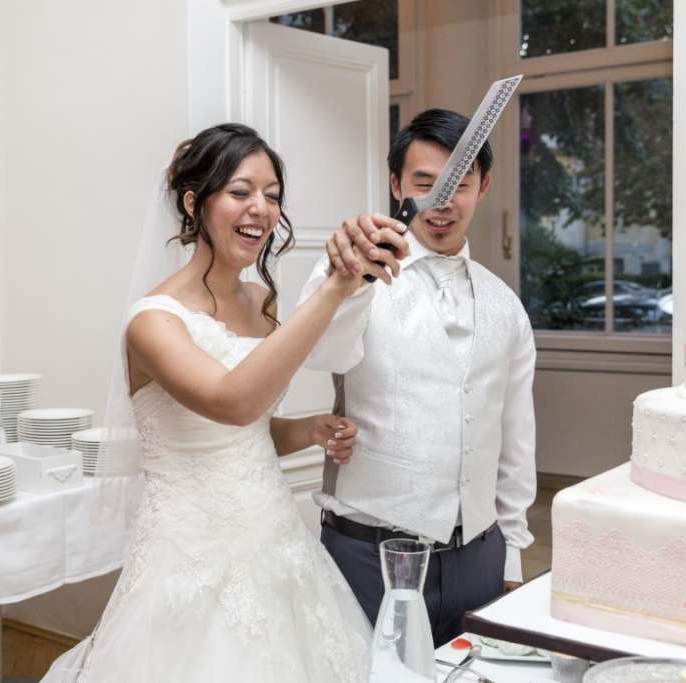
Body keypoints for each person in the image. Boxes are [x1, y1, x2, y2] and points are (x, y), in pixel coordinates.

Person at [42, 123, 406, 683]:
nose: (260, 209)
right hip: (190, 559)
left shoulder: (262, 303)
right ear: (195, 203)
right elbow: (231, 402)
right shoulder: (152, 322)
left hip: (277, 543)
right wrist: (335, 286)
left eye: (273, 195)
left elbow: (247, 430)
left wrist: (306, 429)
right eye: (240, 192)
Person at [298, 108, 538, 647]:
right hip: (369, 555)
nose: (443, 202)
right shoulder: (350, 272)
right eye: (424, 184)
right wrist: (348, 281)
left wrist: (512, 555)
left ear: (483, 187)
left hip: (480, 558)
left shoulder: (508, 306)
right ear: (396, 185)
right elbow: (316, 352)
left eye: (460, 184)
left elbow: (516, 443)